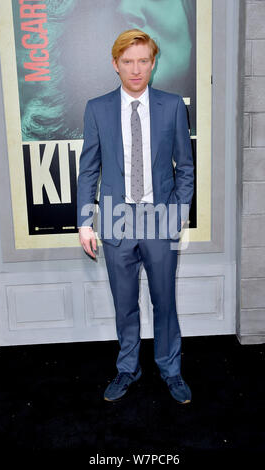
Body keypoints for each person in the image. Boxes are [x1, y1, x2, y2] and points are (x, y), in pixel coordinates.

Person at [77, 29, 194, 404]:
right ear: (115, 64)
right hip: (115, 220)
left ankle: (171, 370)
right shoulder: (97, 108)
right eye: (128, 61)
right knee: (124, 303)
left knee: (165, 301)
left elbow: (185, 168)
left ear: (153, 62)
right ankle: (128, 368)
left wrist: (176, 213)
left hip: (160, 219)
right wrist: (84, 221)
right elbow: (89, 170)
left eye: (143, 60)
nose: (136, 69)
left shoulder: (173, 106)